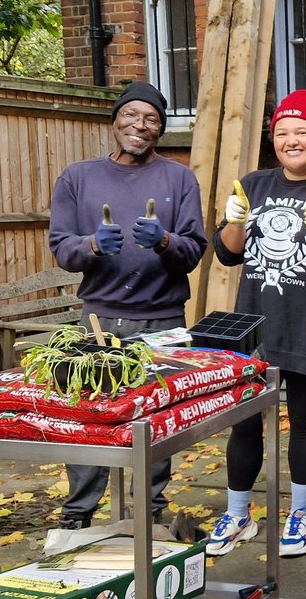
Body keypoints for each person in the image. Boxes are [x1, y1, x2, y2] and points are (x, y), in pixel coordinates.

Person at [210, 89, 306, 559]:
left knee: (302, 421)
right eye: (282, 133)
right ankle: (238, 515)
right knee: (243, 426)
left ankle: (300, 514)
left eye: (302, 132)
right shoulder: (252, 186)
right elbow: (227, 252)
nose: (291, 140)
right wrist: (234, 221)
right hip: (253, 329)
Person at [49, 81, 207, 529]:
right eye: (132, 115)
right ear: (115, 119)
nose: (140, 125)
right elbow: (62, 250)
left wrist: (165, 242)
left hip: (161, 320)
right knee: (86, 416)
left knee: (154, 420)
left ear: (160, 129)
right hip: (97, 320)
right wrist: (92, 247)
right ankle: (79, 512)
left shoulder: (178, 178)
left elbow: (195, 250)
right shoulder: (77, 177)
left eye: (151, 118)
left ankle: (150, 510)